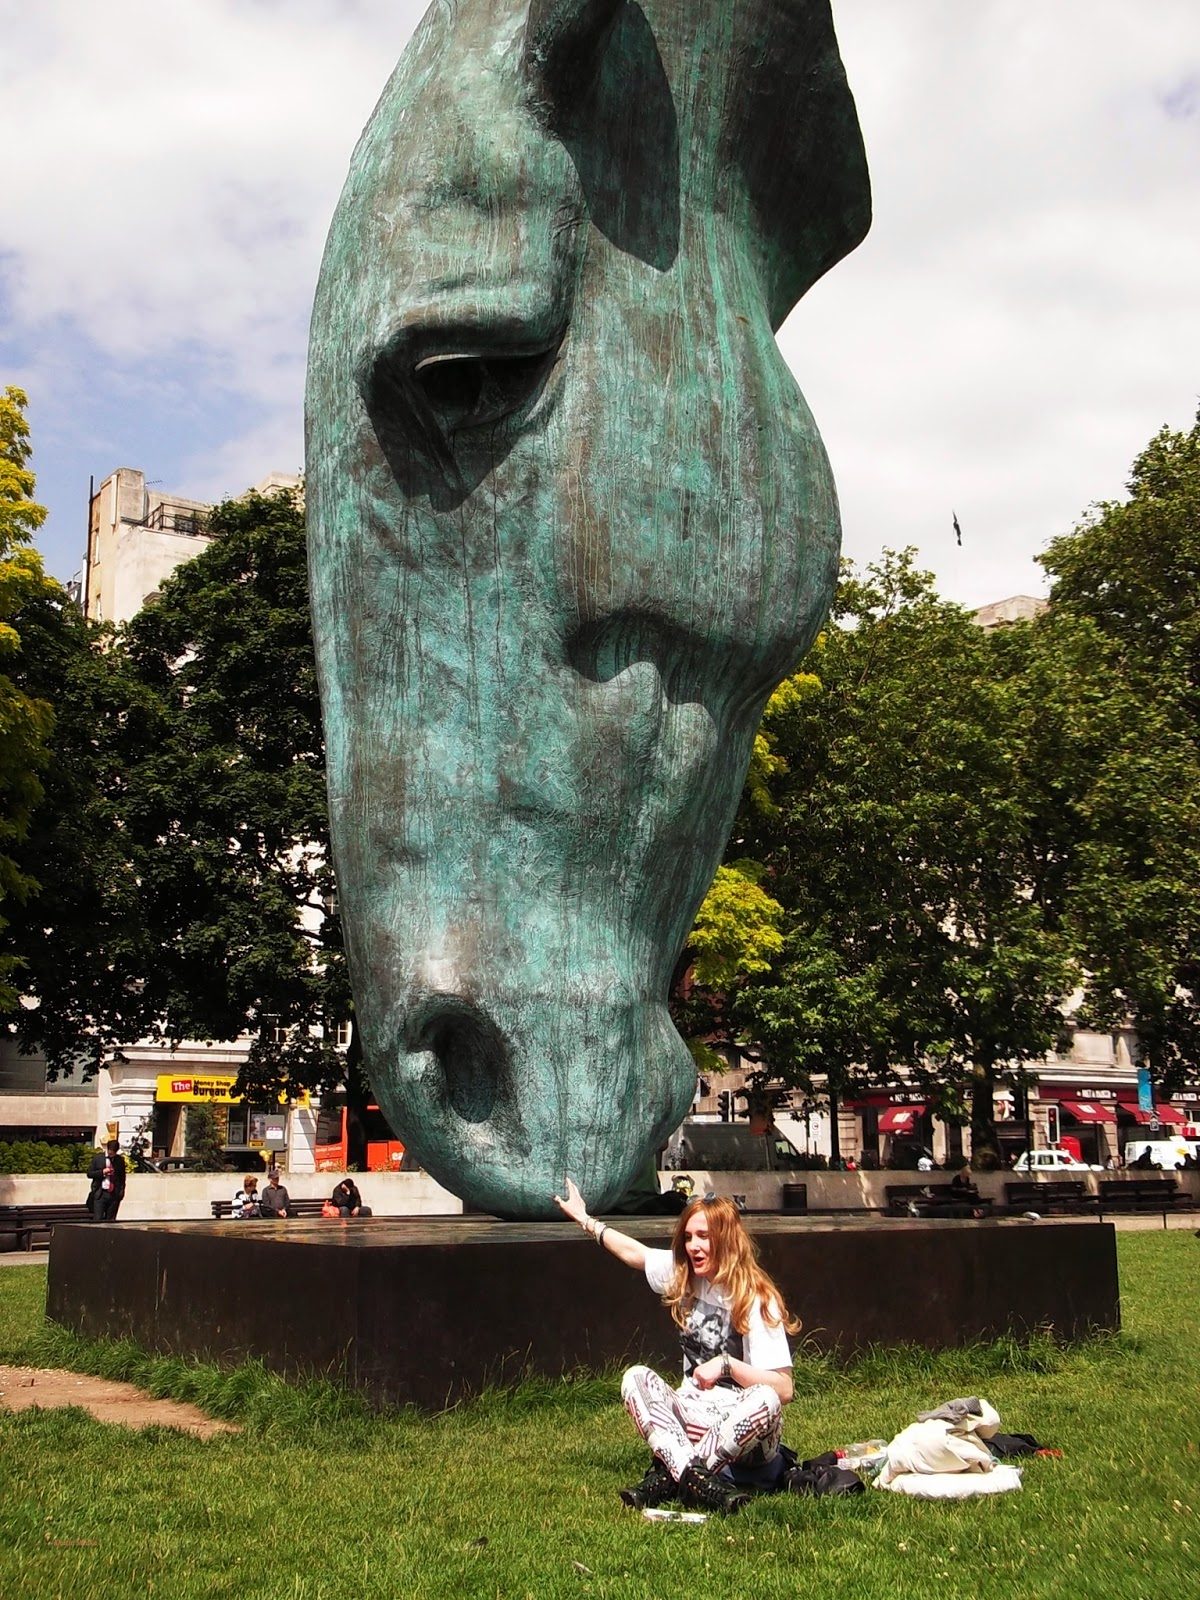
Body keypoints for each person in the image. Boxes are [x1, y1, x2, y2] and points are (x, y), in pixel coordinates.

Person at [553, 1177, 798, 1516]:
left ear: (726, 1241)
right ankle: (698, 1479)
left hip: (746, 1433)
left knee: (766, 1398)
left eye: (704, 1237)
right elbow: (634, 1254)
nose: (693, 1246)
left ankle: (672, 1477)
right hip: (694, 1416)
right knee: (635, 1377)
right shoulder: (685, 1274)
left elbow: (784, 1389)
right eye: (688, 1237)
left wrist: (728, 1366)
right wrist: (585, 1219)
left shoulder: (757, 1298)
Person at [87, 1139, 127, 1222]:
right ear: (107, 1149)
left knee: (110, 1220)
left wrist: (121, 1192)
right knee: (98, 1219)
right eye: (110, 1152)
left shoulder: (119, 1160)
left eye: (114, 1153)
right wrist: (102, 1172)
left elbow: (122, 1177)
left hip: (114, 1195)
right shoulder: (98, 1158)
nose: (111, 1154)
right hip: (100, 1193)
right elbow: (89, 1174)